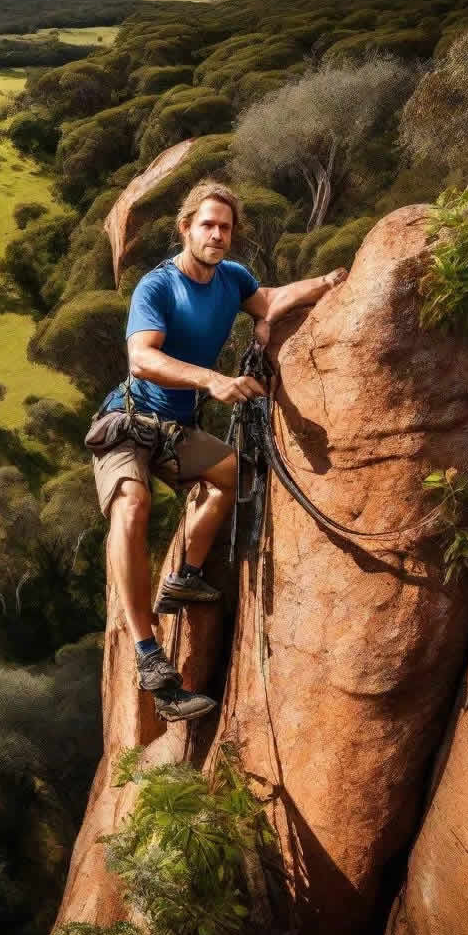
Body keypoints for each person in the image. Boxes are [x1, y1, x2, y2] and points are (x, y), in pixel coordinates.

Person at [87, 178, 349, 722]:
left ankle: (185, 572)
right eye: (207, 225)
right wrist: (211, 380)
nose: (217, 235)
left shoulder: (232, 279)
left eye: (225, 227)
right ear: (185, 228)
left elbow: (271, 299)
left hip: (177, 430)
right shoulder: (156, 287)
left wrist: (329, 281)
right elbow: (142, 359)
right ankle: (148, 655)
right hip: (129, 421)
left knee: (233, 474)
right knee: (131, 506)